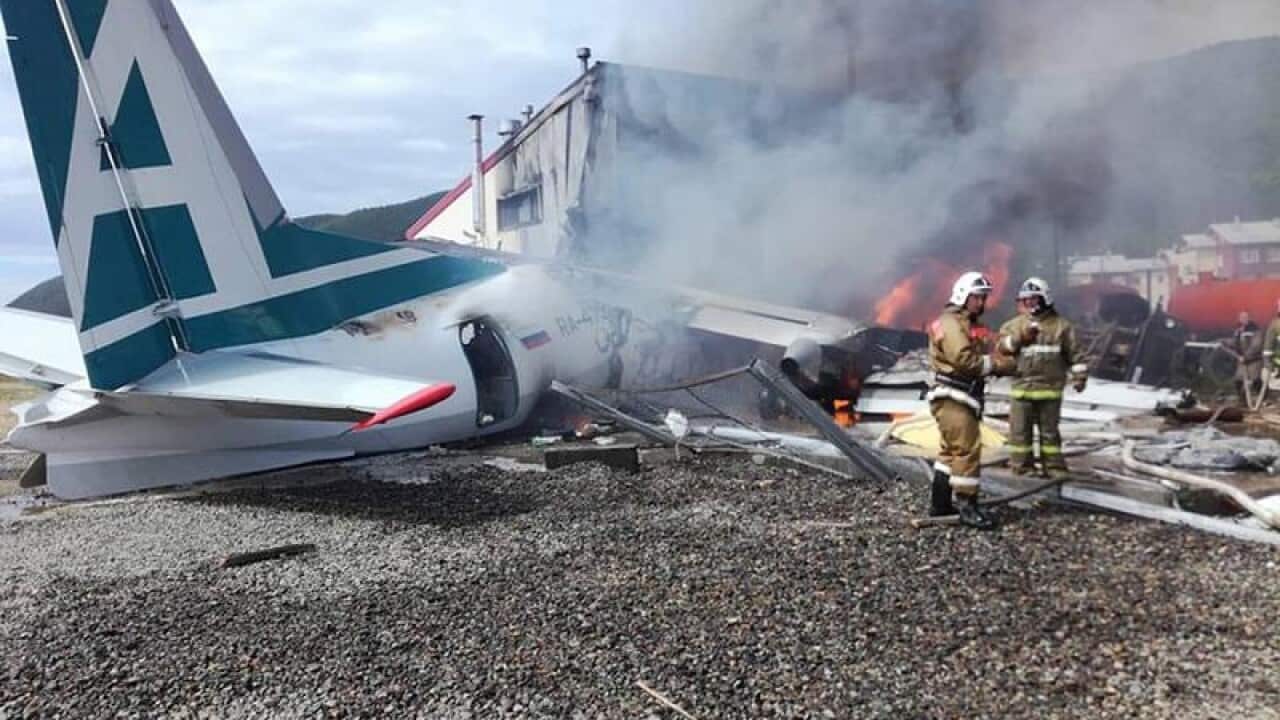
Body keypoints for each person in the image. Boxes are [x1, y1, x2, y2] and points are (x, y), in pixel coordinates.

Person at [927, 271, 1016, 529]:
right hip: (954, 396)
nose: (981, 302)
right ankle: (968, 507)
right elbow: (964, 360)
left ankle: (940, 504)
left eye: (983, 298)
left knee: (950, 452)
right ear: (963, 295)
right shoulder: (951, 323)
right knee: (967, 450)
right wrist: (999, 366)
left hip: (962, 395)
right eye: (977, 297)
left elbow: (988, 343)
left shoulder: (966, 323)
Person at [997, 277, 1087, 478]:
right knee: (1020, 435)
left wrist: (1080, 377)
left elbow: (1076, 355)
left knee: (1050, 435)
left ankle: (1054, 469)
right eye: (1025, 299)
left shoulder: (1062, 327)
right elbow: (1002, 348)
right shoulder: (1014, 326)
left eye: (1033, 298)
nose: (1029, 303)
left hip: (1049, 391)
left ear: (1045, 299)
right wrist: (1021, 337)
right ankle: (1023, 469)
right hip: (1022, 391)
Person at [1226, 311, 1262, 405]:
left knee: (1255, 380)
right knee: (1238, 381)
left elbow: (1256, 346)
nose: (1243, 319)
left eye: (1245, 317)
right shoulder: (1238, 330)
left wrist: (1246, 356)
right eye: (1241, 317)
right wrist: (1224, 342)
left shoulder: (1255, 329)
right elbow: (1235, 342)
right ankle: (1243, 401)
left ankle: (1264, 398)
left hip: (1254, 360)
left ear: (1249, 318)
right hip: (1242, 361)